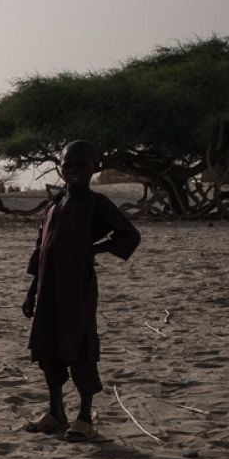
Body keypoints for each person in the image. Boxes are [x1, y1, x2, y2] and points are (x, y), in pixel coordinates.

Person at [21, 140, 140, 442]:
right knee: (48, 347)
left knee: (80, 348)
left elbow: (129, 234)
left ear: (93, 168)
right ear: (60, 168)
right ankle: (55, 412)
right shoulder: (54, 205)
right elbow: (40, 249)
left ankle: (84, 417)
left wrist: (95, 249)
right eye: (68, 165)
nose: (73, 171)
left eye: (81, 165)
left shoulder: (97, 204)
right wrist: (31, 292)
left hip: (77, 289)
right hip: (47, 290)